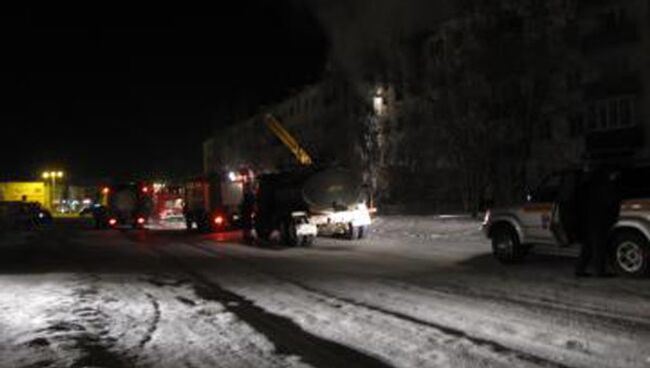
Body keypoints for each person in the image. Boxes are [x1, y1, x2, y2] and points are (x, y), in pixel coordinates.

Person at [574, 166, 622, 277]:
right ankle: (599, 272)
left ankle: (580, 269)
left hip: (588, 220)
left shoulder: (588, 186)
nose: (614, 177)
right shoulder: (604, 187)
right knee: (598, 247)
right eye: (613, 175)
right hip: (598, 221)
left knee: (588, 247)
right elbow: (610, 202)